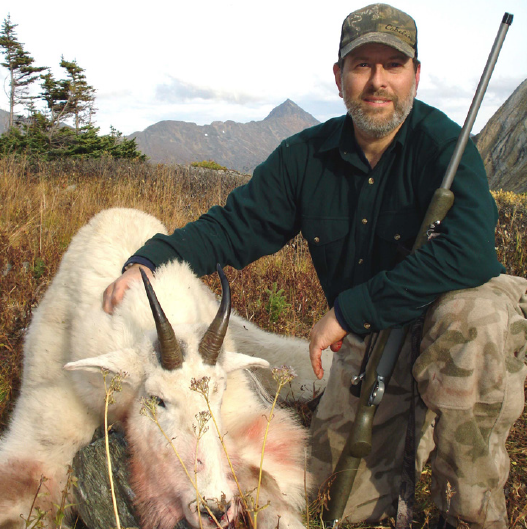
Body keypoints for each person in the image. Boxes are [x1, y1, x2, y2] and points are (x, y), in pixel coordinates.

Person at [103, 4, 527, 528]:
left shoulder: (444, 144)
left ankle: (469, 513)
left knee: (473, 317)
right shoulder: (305, 157)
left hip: (452, 311)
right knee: (331, 498)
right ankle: (406, 438)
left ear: (416, 75)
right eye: (361, 65)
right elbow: (234, 226)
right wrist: (151, 258)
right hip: (375, 332)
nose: (377, 82)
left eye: (392, 65)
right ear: (339, 77)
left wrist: (349, 311)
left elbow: (470, 253)